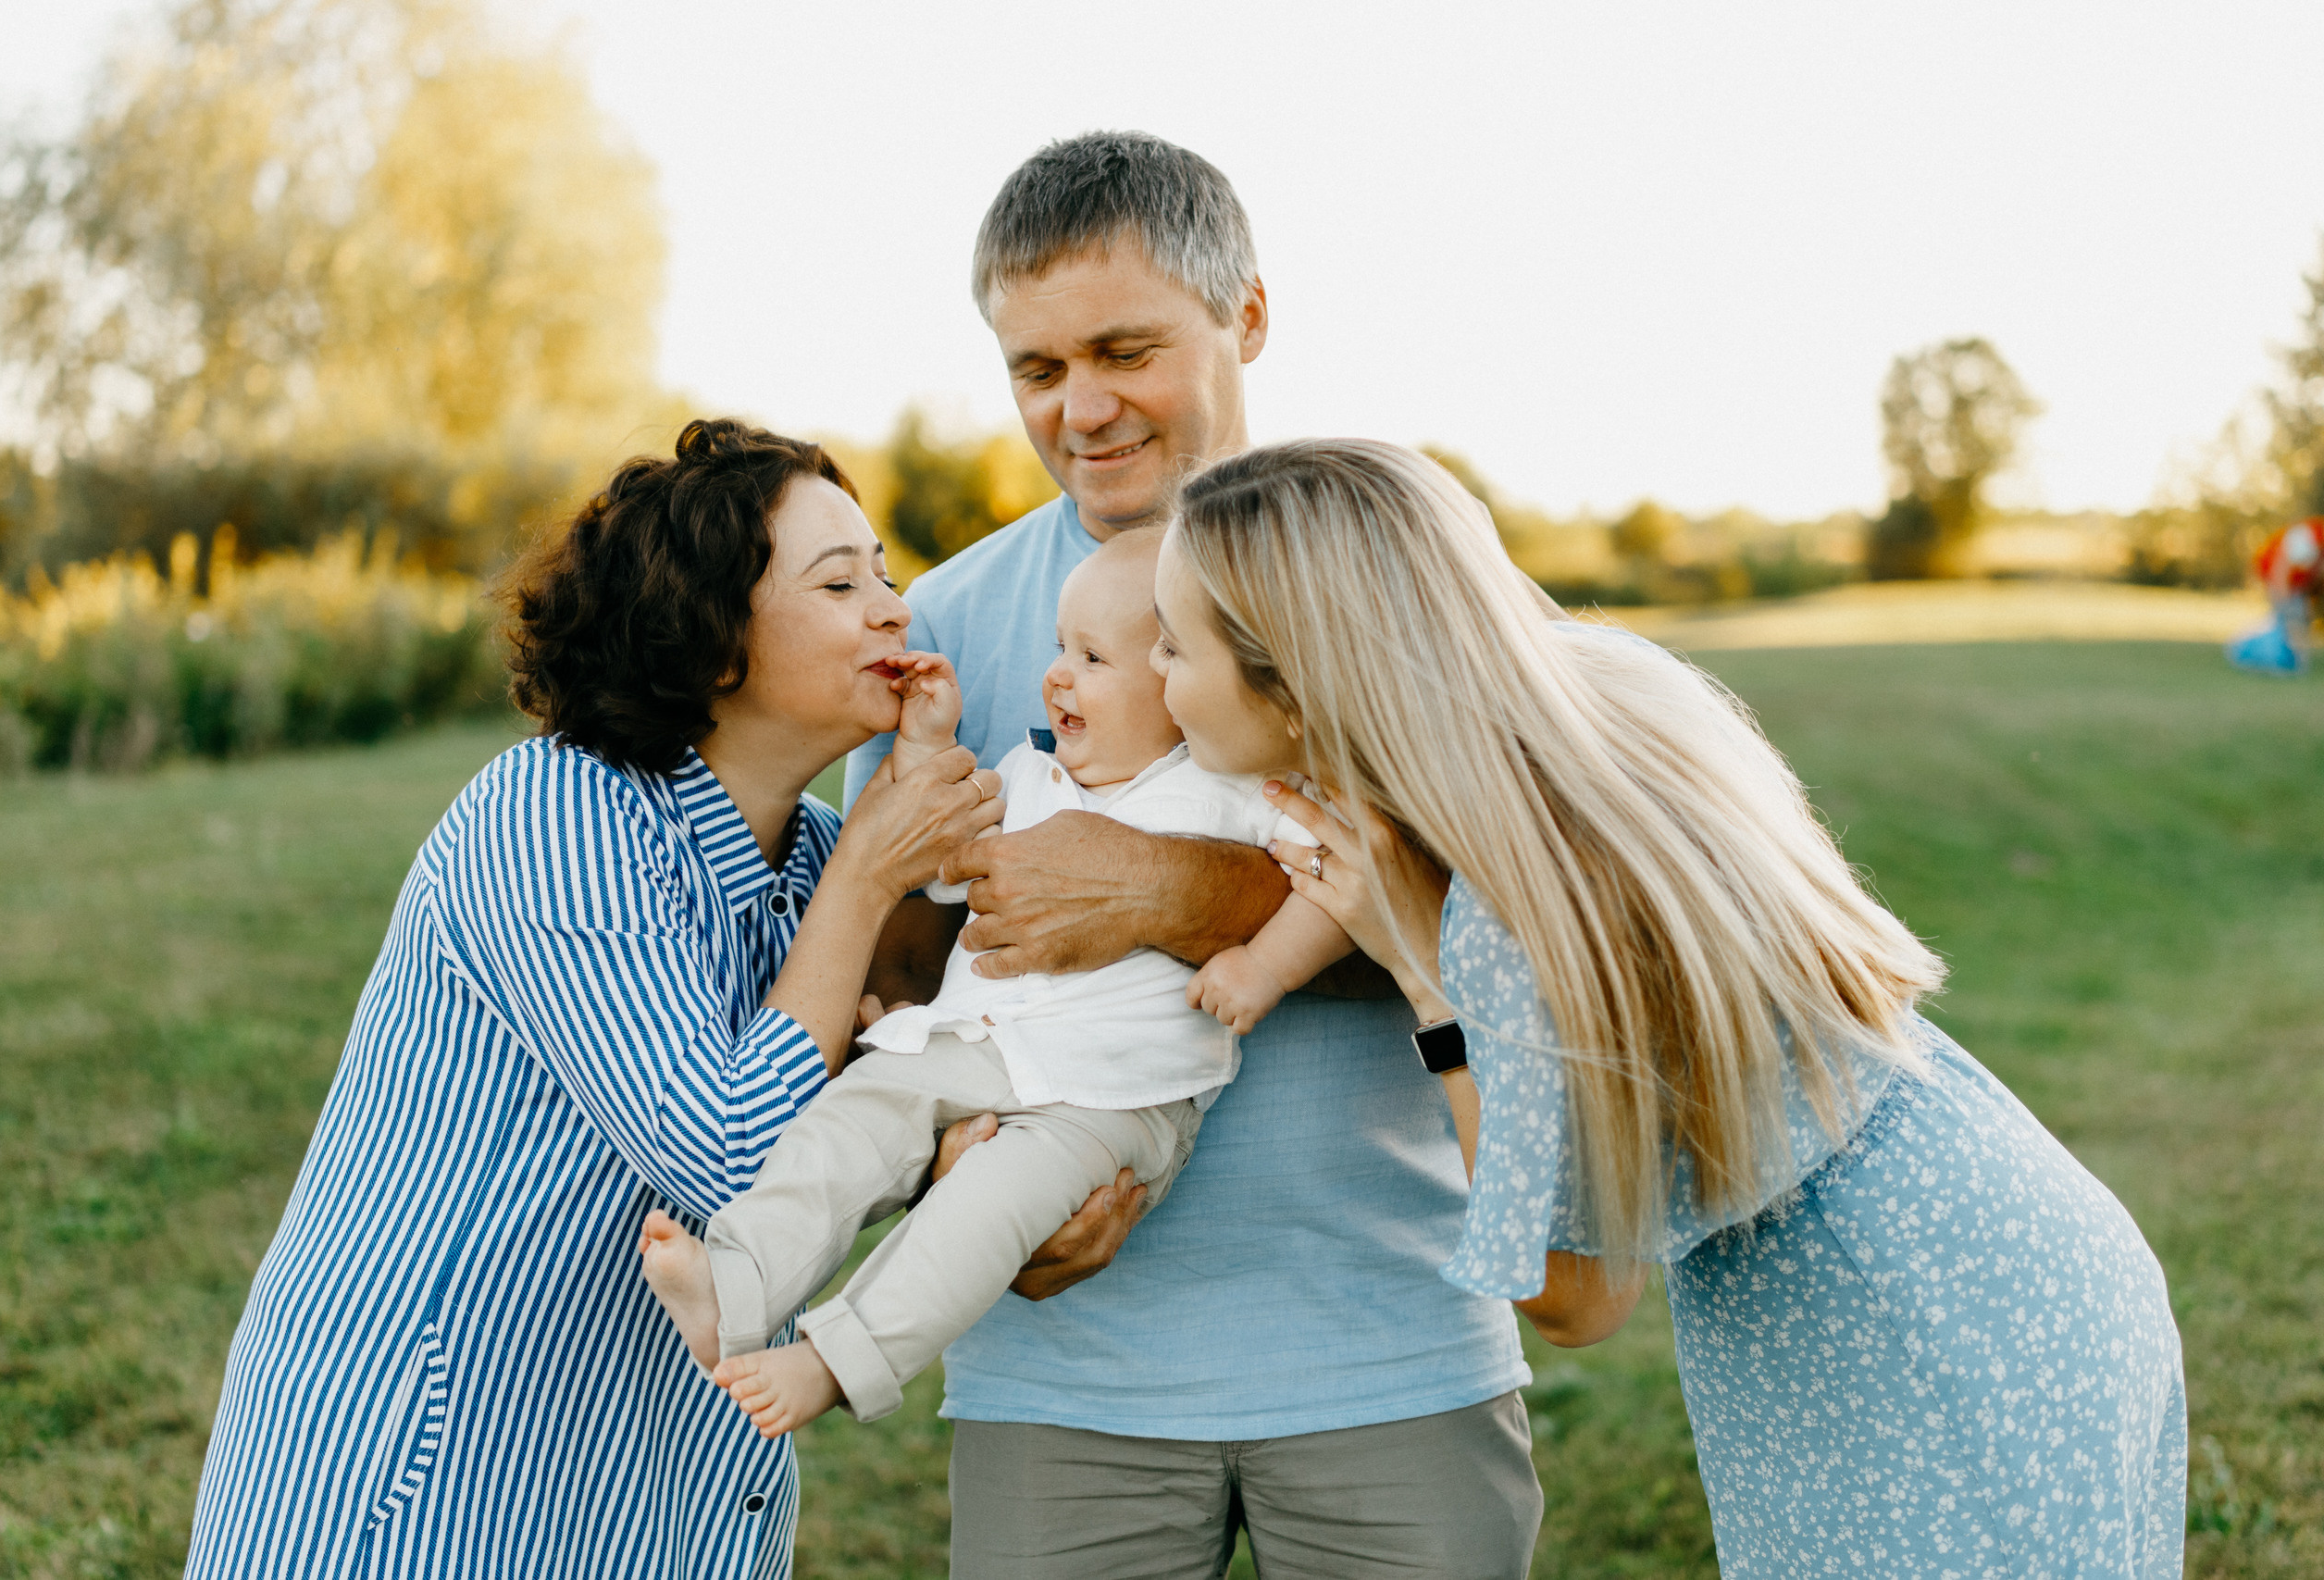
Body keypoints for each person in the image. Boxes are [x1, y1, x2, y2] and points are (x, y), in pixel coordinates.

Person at [1155, 437, 2190, 1580]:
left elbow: (1578, 1296)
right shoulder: (1586, 707)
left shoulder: (1504, 896)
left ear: (1291, 684)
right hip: (2015, 1235)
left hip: (1903, 1324)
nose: (1153, 675)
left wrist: (1424, 978)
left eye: (1170, 643)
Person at [842, 132, 1542, 1577]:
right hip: (1065, 1380)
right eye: (1037, 369)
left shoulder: (1401, 574)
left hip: (1391, 1350)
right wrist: (955, 1170)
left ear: (1251, 319)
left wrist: (1170, 892)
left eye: (1125, 348)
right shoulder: (957, 629)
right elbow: (886, 977)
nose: (1081, 409)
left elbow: (1527, 929)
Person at [185, 420, 1003, 1578]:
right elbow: (732, 1165)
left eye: (881, 570)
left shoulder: (820, 857)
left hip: (655, 1478)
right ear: (712, 634)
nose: (891, 608)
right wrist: (874, 870)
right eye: (838, 581)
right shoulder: (556, 814)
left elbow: (897, 1093)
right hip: (428, 1469)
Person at [635, 527, 1346, 1437]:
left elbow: (1338, 882)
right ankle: (735, 1283)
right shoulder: (1031, 774)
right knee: (847, 1123)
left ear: (1183, 678)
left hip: (1112, 1097)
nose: (1055, 676)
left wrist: (1262, 961)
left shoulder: (1234, 792)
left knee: (982, 1207)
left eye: (1091, 657)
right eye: (1059, 647)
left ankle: (833, 1363)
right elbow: (941, 853)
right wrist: (928, 742)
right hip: (972, 1046)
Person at [2230, 516, 2320, 674]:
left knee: (2297, 618)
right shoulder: (2309, 536)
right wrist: (2286, 604)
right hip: (2277, 577)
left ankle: (2293, 660)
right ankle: (2248, 649)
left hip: (2295, 584)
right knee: (2288, 621)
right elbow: (2280, 569)